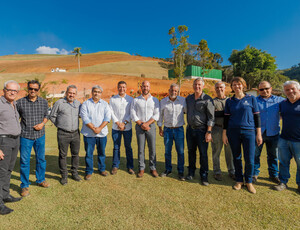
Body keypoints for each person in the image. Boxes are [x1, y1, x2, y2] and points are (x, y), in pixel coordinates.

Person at [222, 77, 262, 194]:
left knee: (249, 158)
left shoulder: (251, 99)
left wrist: (258, 134)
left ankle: (249, 181)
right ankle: (239, 180)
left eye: (239, 84)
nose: (237, 86)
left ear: (243, 85)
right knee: (237, 157)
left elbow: (257, 117)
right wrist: (224, 134)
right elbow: (226, 119)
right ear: (232, 87)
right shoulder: (229, 101)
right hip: (233, 132)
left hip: (249, 132)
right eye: (234, 84)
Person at [17, 80, 50, 197]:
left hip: (40, 136)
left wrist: (42, 124)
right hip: (25, 136)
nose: (33, 91)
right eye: (31, 88)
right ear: (27, 89)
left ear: (38, 90)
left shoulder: (44, 102)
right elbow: (16, 119)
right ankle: (24, 185)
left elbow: (47, 115)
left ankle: (40, 180)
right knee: (24, 161)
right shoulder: (20, 103)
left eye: (35, 89)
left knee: (41, 159)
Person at [49, 85, 82, 185]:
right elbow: (52, 116)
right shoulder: (59, 103)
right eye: (70, 93)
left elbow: (81, 115)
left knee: (75, 154)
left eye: (73, 93)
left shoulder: (78, 103)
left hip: (76, 133)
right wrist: (60, 125)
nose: (71, 95)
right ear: (66, 93)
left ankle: (74, 173)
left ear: (76, 94)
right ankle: (64, 176)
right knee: (63, 155)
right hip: (63, 133)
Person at [254, 81, 284, 184]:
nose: (264, 91)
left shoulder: (280, 101)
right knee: (255, 155)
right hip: (258, 134)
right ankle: (254, 174)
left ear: (271, 88)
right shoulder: (254, 101)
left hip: (274, 133)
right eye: (261, 89)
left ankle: (273, 175)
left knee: (273, 156)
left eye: (266, 88)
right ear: (258, 91)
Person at [185, 78, 215, 186]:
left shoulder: (208, 99)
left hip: (202, 130)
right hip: (190, 130)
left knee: (203, 154)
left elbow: (211, 118)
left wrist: (209, 132)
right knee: (191, 152)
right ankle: (191, 172)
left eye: (199, 85)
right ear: (193, 86)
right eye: (195, 84)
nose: (197, 86)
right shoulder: (188, 98)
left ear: (203, 86)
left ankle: (204, 175)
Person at [273, 81, 300, 193]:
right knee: (283, 162)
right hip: (284, 139)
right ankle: (283, 182)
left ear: (298, 89)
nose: (290, 91)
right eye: (287, 90)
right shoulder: (283, 103)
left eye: (292, 89)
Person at [0, 81, 22, 215]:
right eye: (10, 90)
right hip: (3, 141)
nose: (13, 92)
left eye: (15, 91)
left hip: (15, 141)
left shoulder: (13, 104)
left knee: (9, 170)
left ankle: (5, 195)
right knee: (1, 172)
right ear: (4, 90)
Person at [80, 85, 111, 180]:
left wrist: (99, 128)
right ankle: (89, 171)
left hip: (102, 134)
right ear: (92, 92)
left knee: (101, 153)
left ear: (101, 93)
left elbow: (107, 118)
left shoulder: (105, 104)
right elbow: (85, 118)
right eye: (95, 91)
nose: (96, 93)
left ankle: (102, 169)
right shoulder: (85, 104)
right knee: (89, 153)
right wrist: (94, 128)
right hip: (89, 134)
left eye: (98, 92)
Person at [131, 81, 159, 178]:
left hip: (151, 127)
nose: (145, 88)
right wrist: (141, 124)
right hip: (139, 127)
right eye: (143, 86)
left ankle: (153, 168)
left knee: (152, 148)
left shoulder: (155, 100)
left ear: (149, 87)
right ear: (141, 87)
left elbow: (157, 114)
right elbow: (133, 113)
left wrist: (147, 124)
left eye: (147, 86)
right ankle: (141, 168)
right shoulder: (136, 100)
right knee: (141, 149)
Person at [158, 83, 186, 181]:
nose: (173, 92)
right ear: (169, 90)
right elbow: (160, 116)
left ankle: (181, 171)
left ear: (178, 92)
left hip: (179, 129)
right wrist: (160, 128)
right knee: (167, 151)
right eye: (172, 90)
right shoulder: (163, 101)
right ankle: (168, 169)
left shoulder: (183, 101)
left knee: (181, 152)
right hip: (167, 129)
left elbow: (187, 111)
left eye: (175, 91)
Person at [109, 81, 134, 175]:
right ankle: (115, 166)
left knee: (128, 147)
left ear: (126, 88)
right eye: (120, 87)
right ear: (117, 88)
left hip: (127, 127)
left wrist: (124, 123)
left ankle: (130, 167)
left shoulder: (131, 99)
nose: (122, 89)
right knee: (116, 147)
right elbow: (111, 112)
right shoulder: (113, 99)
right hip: (116, 128)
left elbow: (132, 113)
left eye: (123, 87)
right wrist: (118, 123)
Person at [211, 82, 235, 181]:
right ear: (215, 89)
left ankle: (232, 171)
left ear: (225, 88)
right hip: (216, 129)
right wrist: (226, 113)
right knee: (216, 151)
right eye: (217, 87)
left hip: (229, 129)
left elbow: (233, 114)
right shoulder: (212, 102)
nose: (219, 89)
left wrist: (219, 113)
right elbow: (211, 115)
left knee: (230, 152)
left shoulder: (231, 100)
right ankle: (217, 172)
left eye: (221, 87)